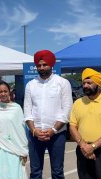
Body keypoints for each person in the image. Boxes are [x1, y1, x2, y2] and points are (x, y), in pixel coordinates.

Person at [24, 50, 73, 179]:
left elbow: (66, 111)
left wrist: (52, 130)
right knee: (35, 172)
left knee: (57, 172)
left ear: (51, 65)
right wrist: (34, 130)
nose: (41, 68)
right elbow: (27, 111)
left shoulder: (62, 83)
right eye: (39, 65)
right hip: (35, 134)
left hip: (57, 135)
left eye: (45, 64)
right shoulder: (31, 85)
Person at [69, 68, 101, 179]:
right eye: (84, 83)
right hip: (82, 149)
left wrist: (93, 146)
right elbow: (72, 126)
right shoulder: (78, 103)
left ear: (98, 85)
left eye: (89, 83)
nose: (85, 86)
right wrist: (84, 146)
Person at [0, 81, 28, 179]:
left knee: (14, 173)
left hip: (14, 147)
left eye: (5, 91)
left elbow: (21, 130)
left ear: (9, 92)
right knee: (0, 173)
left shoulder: (16, 108)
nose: (3, 94)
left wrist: (23, 150)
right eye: (0, 92)